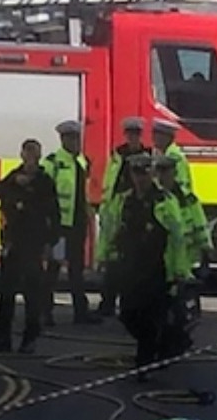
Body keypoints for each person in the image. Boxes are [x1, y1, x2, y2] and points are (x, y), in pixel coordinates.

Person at [0, 139, 59, 354]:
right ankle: (2, 339)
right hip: (13, 242)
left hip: (33, 243)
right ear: (22, 155)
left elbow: (54, 215)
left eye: (34, 154)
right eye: (27, 154)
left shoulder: (44, 182)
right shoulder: (13, 176)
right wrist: (16, 183)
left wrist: (50, 242)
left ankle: (30, 339)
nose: (30, 159)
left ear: (38, 157)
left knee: (32, 294)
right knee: (6, 293)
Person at [114, 151, 183, 372]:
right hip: (129, 268)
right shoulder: (124, 201)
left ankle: (144, 363)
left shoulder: (164, 201)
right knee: (127, 314)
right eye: (136, 173)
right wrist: (106, 257)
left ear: (151, 173)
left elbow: (176, 238)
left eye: (144, 173)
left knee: (152, 316)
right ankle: (161, 347)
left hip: (156, 268)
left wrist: (178, 270)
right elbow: (112, 230)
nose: (140, 178)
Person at [43, 119, 98, 325]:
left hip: (77, 226)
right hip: (60, 227)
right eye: (70, 138)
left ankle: (80, 313)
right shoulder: (53, 162)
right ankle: (45, 312)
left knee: (77, 270)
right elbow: (45, 194)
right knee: (54, 269)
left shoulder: (82, 162)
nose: (74, 142)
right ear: (63, 139)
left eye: (76, 138)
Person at [153, 155, 210, 358]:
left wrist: (204, 251)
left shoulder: (187, 198)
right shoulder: (153, 198)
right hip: (160, 265)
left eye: (166, 172)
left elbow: (199, 225)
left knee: (182, 313)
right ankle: (161, 350)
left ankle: (175, 345)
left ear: (174, 174)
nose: (163, 176)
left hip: (184, 265)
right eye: (159, 172)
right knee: (159, 312)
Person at [97, 116, 149, 318]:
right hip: (116, 211)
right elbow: (111, 182)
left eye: (136, 134)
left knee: (135, 264)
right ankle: (107, 303)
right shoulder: (118, 155)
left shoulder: (147, 155)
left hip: (137, 211)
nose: (132, 137)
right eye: (130, 134)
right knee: (112, 263)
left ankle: (131, 305)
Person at [151, 118, 194, 196]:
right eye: (153, 133)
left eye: (157, 134)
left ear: (168, 137)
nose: (153, 137)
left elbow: (183, 184)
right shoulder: (158, 153)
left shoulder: (175, 156)